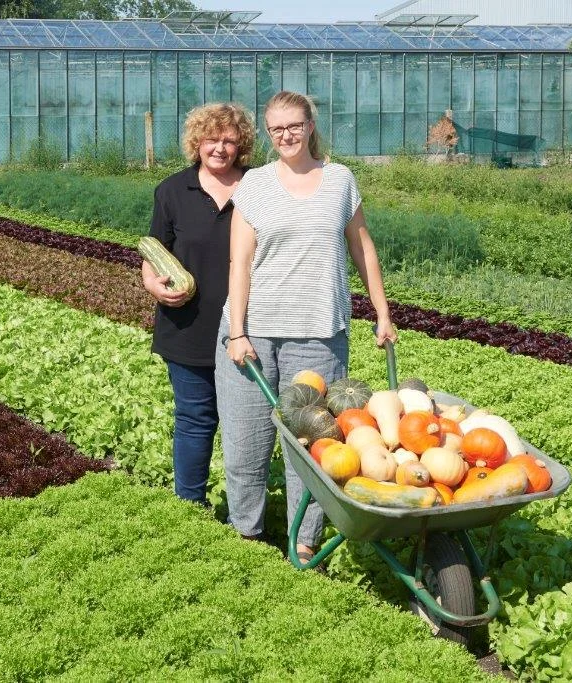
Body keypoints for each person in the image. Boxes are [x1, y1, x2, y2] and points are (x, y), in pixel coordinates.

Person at [217, 90, 397, 563]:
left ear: (310, 125)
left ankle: (303, 545)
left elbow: (363, 249)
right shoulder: (254, 184)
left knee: (311, 449)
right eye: (275, 129)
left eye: (293, 126)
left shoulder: (339, 181)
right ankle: (248, 540)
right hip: (254, 335)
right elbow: (240, 261)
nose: (285, 135)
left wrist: (382, 312)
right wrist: (236, 331)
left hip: (319, 333)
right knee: (245, 445)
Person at [143, 102, 257, 507]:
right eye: (212, 139)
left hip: (248, 329)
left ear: (241, 144)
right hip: (187, 326)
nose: (220, 148)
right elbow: (154, 251)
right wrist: (154, 286)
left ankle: (245, 512)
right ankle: (189, 507)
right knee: (194, 420)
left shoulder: (259, 187)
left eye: (229, 140)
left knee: (245, 426)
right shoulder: (173, 190)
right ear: (197, 142)